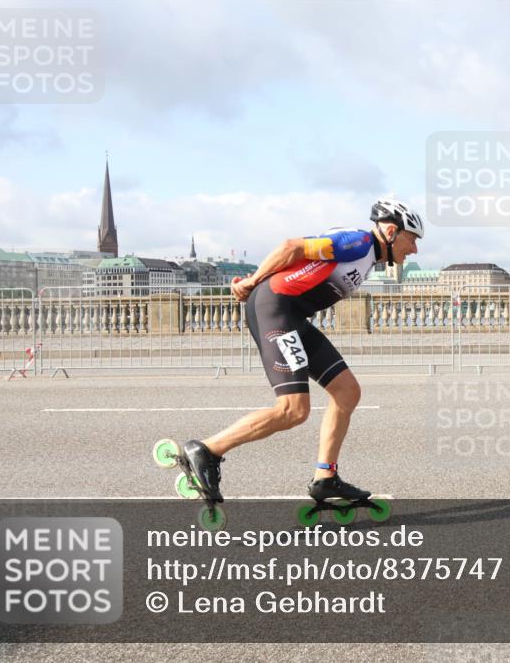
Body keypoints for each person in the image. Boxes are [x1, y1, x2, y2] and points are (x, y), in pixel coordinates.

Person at [175, 198, 424, 504]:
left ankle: (326, 478)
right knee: (293, 410)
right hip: (276, 310)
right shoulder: (357, 242)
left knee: (347, 391)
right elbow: (290, 247)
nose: (414, 249)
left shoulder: (369, 256)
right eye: (411, 239)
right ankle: (206, 450)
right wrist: (253, 281)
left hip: (292, 316)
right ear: (390, 230)